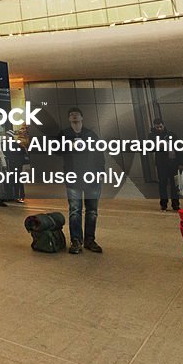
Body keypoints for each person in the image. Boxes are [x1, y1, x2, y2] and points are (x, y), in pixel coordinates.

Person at [59, 107, 104, 254]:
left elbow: (99, 154)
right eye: (71, 114)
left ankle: (89, 240)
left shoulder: (90, 134)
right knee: (75, 210)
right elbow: (55, 150)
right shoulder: (64, 134)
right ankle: (76, 241)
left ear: (82, 117)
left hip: (92, 177)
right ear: (69, 119)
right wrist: (69, 145)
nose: (74, 116)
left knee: (92, 211)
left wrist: (101, 173)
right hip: (73, 178)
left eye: (77, 114)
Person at [151, 118, 183, 212]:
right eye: (157, 127)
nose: (159, 128)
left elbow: (179, 148)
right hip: (162, 164)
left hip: (173, 162)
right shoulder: (152, 136)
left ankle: (175, 204)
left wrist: (181, 162)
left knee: (175, 184)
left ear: (163, 125)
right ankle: (164, 205)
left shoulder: (172, 134)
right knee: (162, 184)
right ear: (154, 126)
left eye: (160, 126)